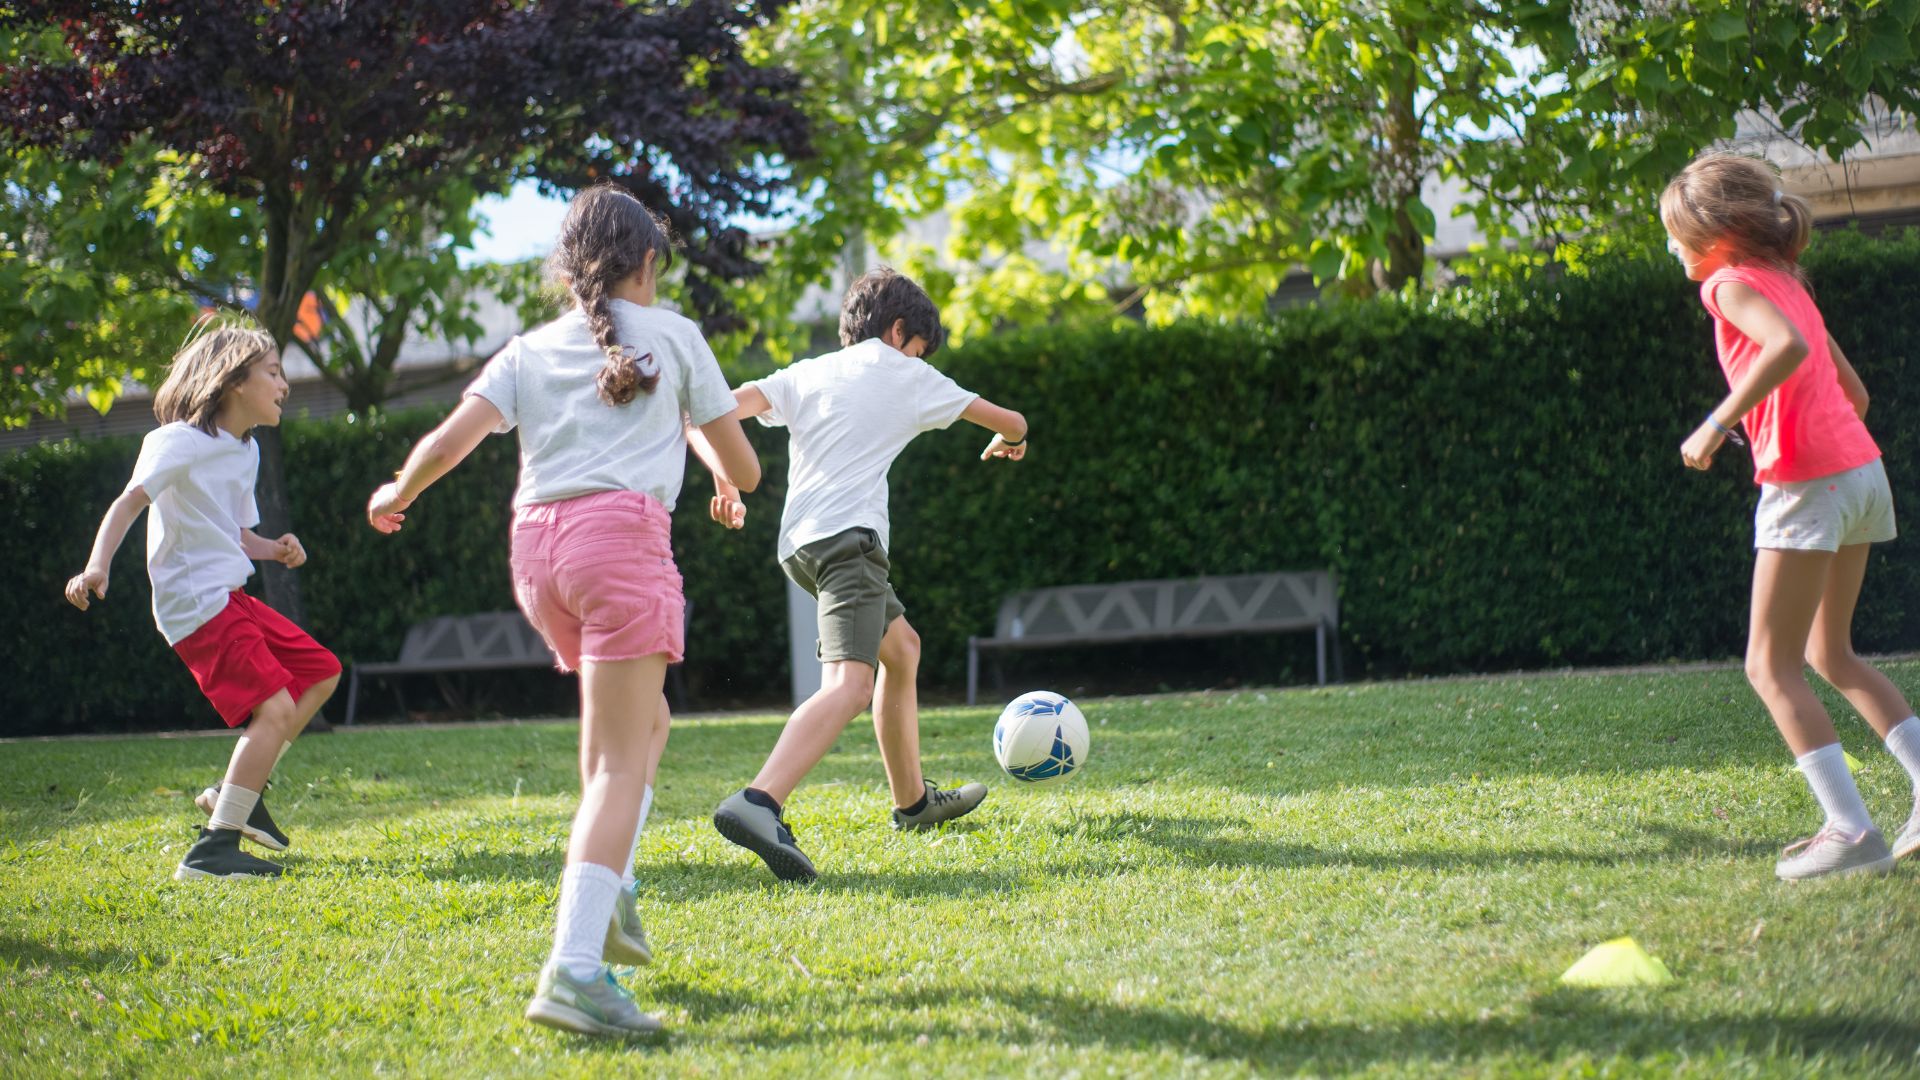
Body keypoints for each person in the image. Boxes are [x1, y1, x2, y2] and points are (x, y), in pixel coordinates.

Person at [367, 185, 759, 1037]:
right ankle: (576, 969)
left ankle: (609, 889)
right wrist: (728, 472)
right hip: (619, 546)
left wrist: (398, 489)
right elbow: (747, 466)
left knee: (637, 726)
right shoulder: (677, 336)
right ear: (648, 262)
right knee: (624, 760)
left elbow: (451, 441)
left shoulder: (532, 346)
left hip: (538, 556)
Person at [708, 267, 1028, 882]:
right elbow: (1010, 419)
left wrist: (725, 478)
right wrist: (1011, 440)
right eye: (917, 347)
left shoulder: (807, 371)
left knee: (901, 649)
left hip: (800, 545)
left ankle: (913, 804)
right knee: (850, 686)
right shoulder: (906, 372)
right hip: (849, 543)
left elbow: (724, 410)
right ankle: (759, 801)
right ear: (900, 330)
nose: (918, 359)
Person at [1662, 152, 1920, 880]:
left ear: (1716, 234)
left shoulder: (1728, 284)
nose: (1673, 249)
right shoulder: (1789, 284)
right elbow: (1857, 397)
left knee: (1768, 664)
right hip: (1861, 473)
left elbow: (1786, 350)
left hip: (1809, 484)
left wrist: (1718, 423)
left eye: (1676, 233)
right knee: (1830, 656)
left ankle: (1850, 830)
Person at [64, 323, 340, 881]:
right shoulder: (176, 441)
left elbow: (235, 535)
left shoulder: (246, 450)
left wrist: (275, 549)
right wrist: (97, 566)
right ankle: (212, 852)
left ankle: (239, 793)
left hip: (229, 594)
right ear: (235, 380)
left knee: (320, 671)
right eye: (274, 372)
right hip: (196, 603)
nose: (285, 383)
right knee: (277, 708)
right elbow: (128, 503)